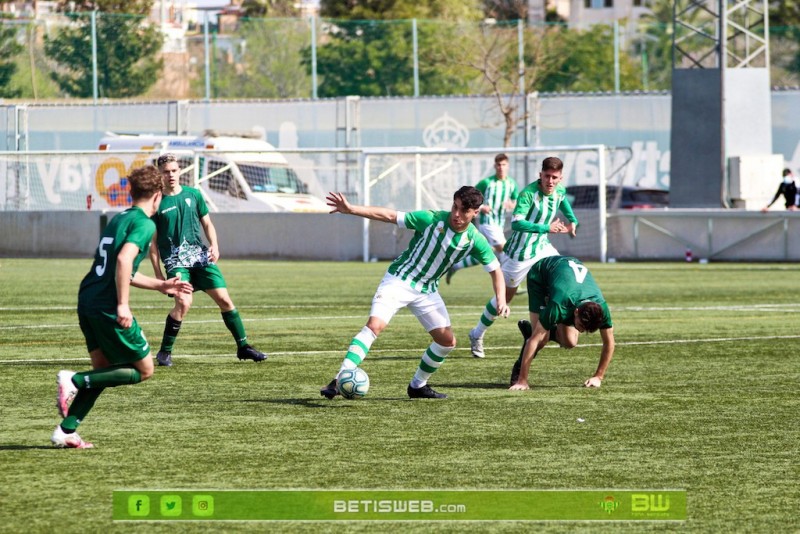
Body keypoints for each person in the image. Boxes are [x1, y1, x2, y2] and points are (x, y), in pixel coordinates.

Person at [320, 186, 510, 400]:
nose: (456, 214)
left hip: (427, 291)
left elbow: (496, 270)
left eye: (464, 211)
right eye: (455, 207)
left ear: (475, 212)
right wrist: (351, 209)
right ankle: (338, 380)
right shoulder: (430, 219)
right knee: (374, 326)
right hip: (400, 280)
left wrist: (501, 299)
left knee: (447, 342)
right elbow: (390, 215)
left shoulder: (475, 239)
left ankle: (417, 386)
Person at [53, 166, 194, 448]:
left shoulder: (121, 218)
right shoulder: (145, 224)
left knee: (103, 370)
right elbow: (124, 261)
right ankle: (74, 379)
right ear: (158, 196)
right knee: (144, 369)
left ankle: (66, 431)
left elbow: (122, 270)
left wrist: (162, 285)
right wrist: (123, 305)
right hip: (107, 304)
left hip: (88, 298)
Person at [149, 153, 266, 366]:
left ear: (179, 171)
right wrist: (158, 276)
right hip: (176, 262)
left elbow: (208, 224)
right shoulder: (156, 202)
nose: (171, 175)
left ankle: (243, 347)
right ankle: (165, 352)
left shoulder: (194, 195)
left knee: (225, 300)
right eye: (166, 172)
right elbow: (153, 244)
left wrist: (215, 245)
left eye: (174, 170)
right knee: (184, 302)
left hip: (201, 257)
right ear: (160, 174)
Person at [467, 156, 578, 358]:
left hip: (543, 248)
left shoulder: (559, 190)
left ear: (560, 178)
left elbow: (563, 203)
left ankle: (556, 330)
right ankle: (477, 334)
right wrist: (547, 227)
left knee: (563, 274)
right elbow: (517, 223)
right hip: (519, 253)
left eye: (554, 177)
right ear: (540, 175)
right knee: (505, 297)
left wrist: (573, 220)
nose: (550, 181)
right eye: (547, 176)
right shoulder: (528, 194)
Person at [509, 255, 615, 391]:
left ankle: (546, 330)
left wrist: (598, 376)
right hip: (541, 276)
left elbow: (609, 342)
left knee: (570, 342)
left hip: (567, 284)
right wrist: (522, 381)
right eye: (582, 326)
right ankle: (519, 369)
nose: (582, 331)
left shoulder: (602, 309)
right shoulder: (559, 304)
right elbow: (535, 340)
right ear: (576, 312)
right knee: (540, 339)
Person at [446, 153, 518, 283]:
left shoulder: (512, 184)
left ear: (508, 166)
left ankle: (455, 266)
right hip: (487, 222)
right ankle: (509, 281)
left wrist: (511, 204)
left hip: (499, 223)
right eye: (498, 165)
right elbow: (471, 197)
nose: (501, 167)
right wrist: (482, 207)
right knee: (505, 249)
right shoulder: (487, 182)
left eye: (503, 165)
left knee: (486, 253)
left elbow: (515, 201)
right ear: (495, 166)